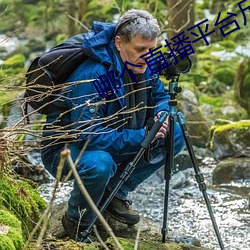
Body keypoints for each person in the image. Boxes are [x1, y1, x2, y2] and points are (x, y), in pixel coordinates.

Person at [41, 9, 185, 241]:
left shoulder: (143, 64)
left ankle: (115, 193)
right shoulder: (93, 76)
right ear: (119, 43)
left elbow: (159, 96)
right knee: (100, 164)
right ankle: (76, 221)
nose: (148, 56)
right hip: (67, 150)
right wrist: (142, 135)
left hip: (116, 136)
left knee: (175, 132)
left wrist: (161, 114)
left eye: (152, 49)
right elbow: (87, 135)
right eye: (140, 49)